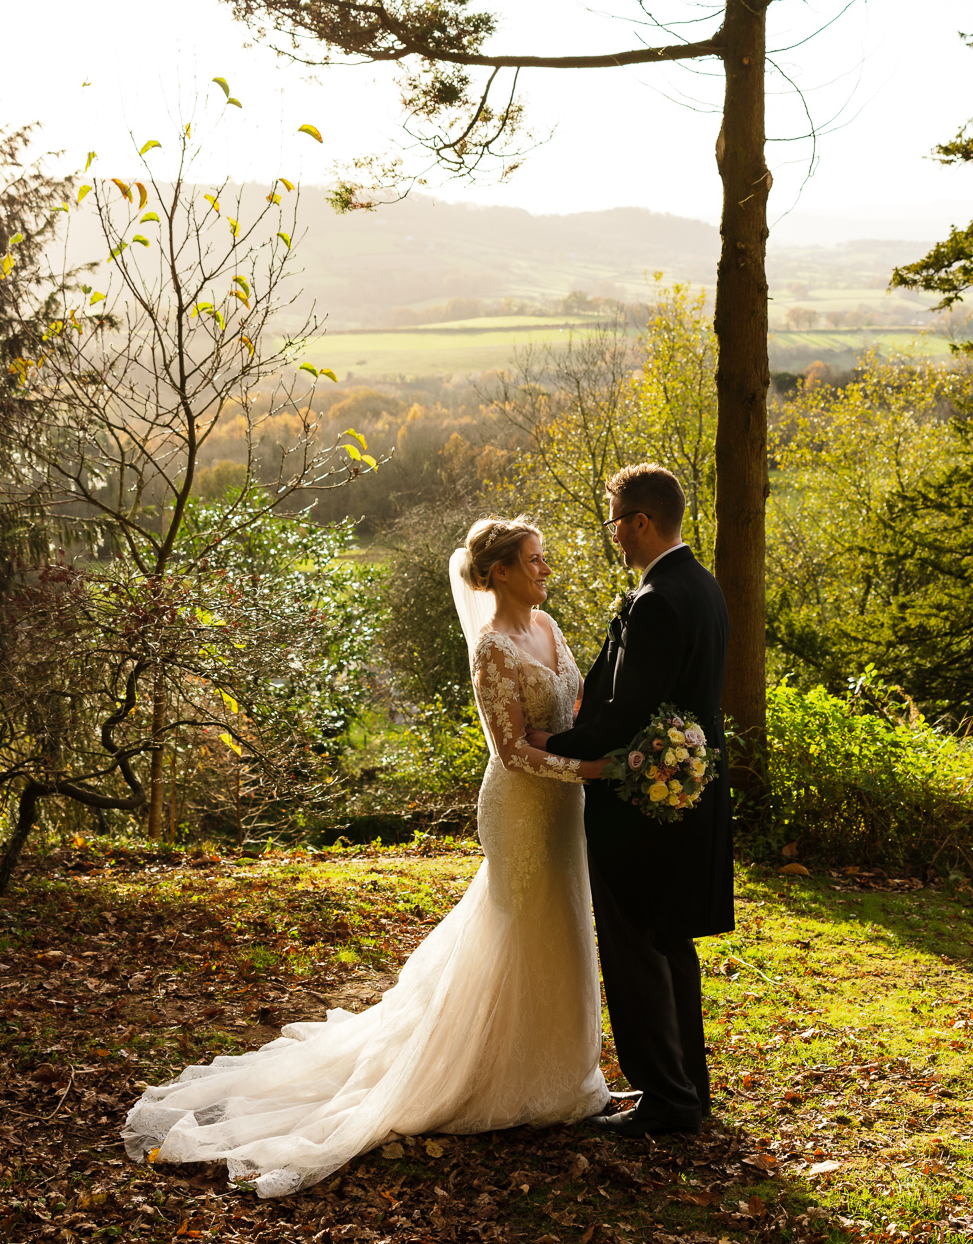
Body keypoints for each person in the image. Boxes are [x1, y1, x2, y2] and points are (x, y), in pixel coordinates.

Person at [121, 516, 611, 1197]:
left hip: (564, 809)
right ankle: (498, 1079)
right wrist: (584, 768)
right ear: (498, 572)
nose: (545, 570)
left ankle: (559, 1074)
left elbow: (575, 703)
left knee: (561, 927)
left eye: (543, 559)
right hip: (523, 808)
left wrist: (596, 745)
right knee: (522, 930)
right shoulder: (493, 649)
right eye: (533, 560)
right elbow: (511, 751)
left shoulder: (550, 628)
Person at [531, 463, 732, 1138]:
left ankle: (667, 1101)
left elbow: (623, 715)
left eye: (615, 522)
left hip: (640, 809)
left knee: (638, 953)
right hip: (685, 799)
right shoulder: (703, 587)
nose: (614, 536)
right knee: (670, 946)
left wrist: (552, 740)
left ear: (640, 522)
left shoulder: (654, 602)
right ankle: (687, 1093)